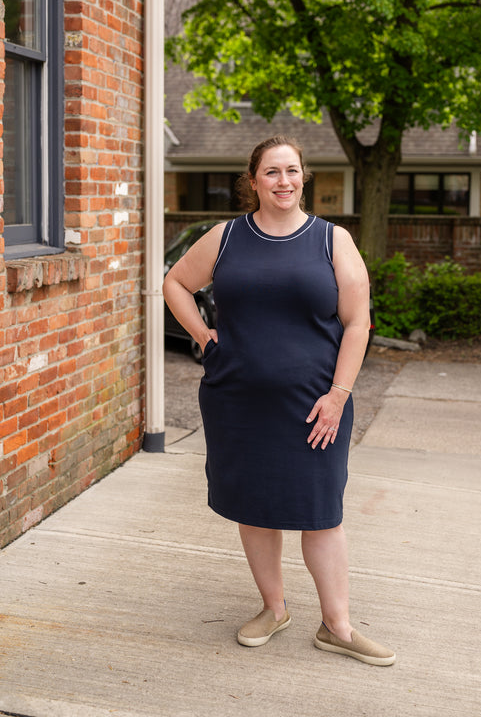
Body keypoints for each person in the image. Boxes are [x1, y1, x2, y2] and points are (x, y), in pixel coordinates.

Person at [163, 135, 395, 665]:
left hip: (316, 406)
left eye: (291, 171)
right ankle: (274, 608)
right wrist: (204, 336)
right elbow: (174, 282)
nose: (283, 181)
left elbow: (358, 323)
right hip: (237, 401)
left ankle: (337, 625)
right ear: (253, 180)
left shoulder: (332, 241)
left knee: (320, 513)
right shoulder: (225, 238)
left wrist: (338, 395)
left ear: (303, 177)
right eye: (271, 172)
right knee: (256, 508)